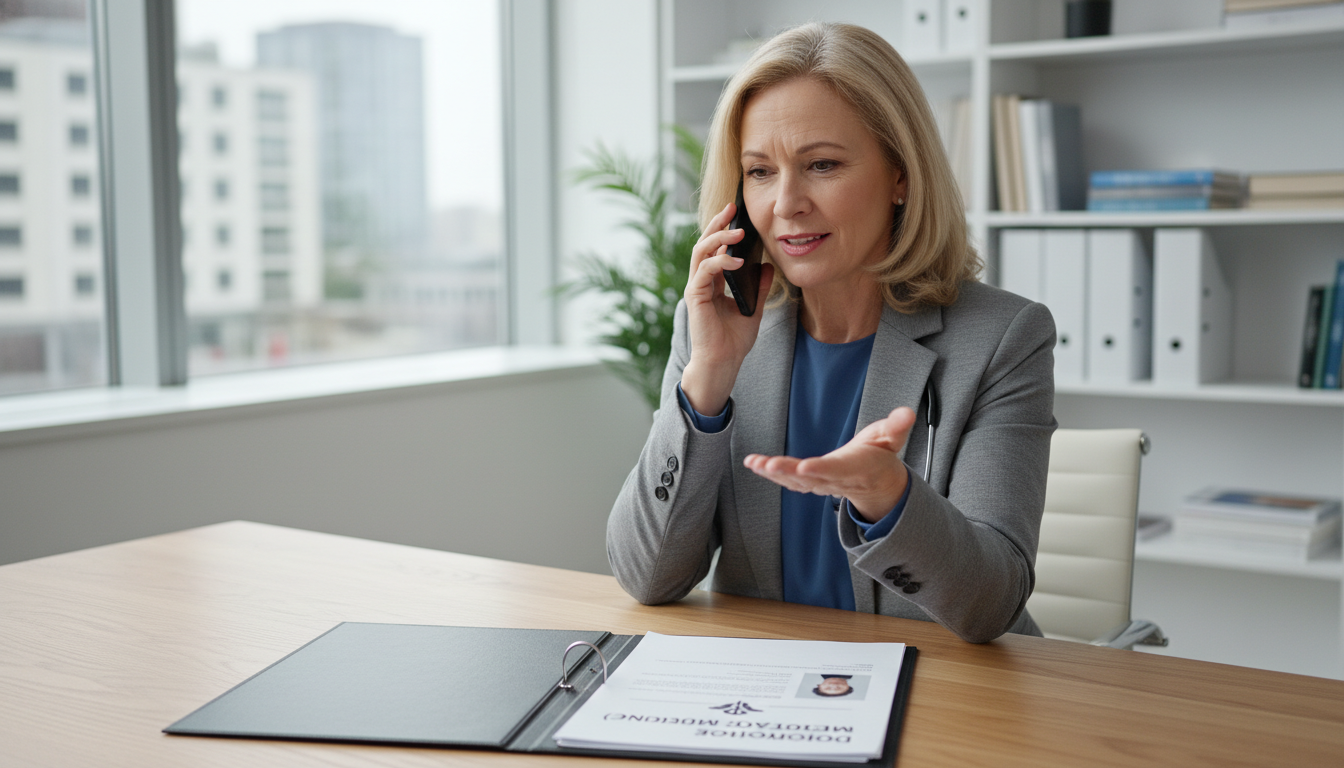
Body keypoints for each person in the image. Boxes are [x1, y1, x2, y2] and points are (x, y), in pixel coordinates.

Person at [606, 22, 1056, 643]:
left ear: (900, 175)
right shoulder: (713, 328)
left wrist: (890, 496)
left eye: (821, 165)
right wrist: (707, 377)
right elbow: (646, 575)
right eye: (760, 172)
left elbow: (992, 605)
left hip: (942, 700)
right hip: (768, 695)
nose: (786, 203)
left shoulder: (1003, 338)